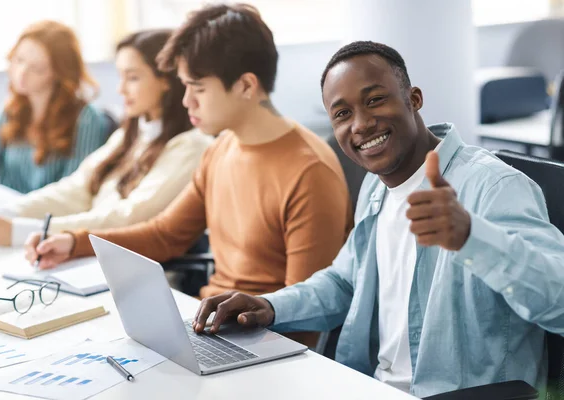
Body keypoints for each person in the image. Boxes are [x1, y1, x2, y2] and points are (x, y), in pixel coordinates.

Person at [189, 41, 564, 397]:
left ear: (413, 99)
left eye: (375, 100)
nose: (361, 124)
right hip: (369, 387)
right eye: (342, 114)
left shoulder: (494, 186)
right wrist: (270, 306)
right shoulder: (375, 188)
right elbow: (344, 281)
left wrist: (471, 237)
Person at [23, 4, 352, 346]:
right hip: (209, 329)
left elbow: (305, 322)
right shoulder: (221, 149)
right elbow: (166, 234)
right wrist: (74, 242)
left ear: (245, 86)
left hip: (262, 345)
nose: (186, 102)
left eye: (198, 88)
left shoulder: (310, 171)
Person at [0, 30, 212, 247]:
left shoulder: (189, 147)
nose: (120, 89)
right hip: (85, 252)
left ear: (167, 81)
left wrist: (24, 230)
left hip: (127, 265)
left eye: (133, 77)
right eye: (120, 76)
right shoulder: (133, 133)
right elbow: (76, 189)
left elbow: (126, 217)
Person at [0, 20, 109, 194]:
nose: (22, 72)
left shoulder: (86, 119)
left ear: (59, 73)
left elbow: (74, 192)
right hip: (4, 214)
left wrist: (16, 216)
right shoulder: (8, 113)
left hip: (45, 218)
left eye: (37, 68)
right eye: (19, 60)